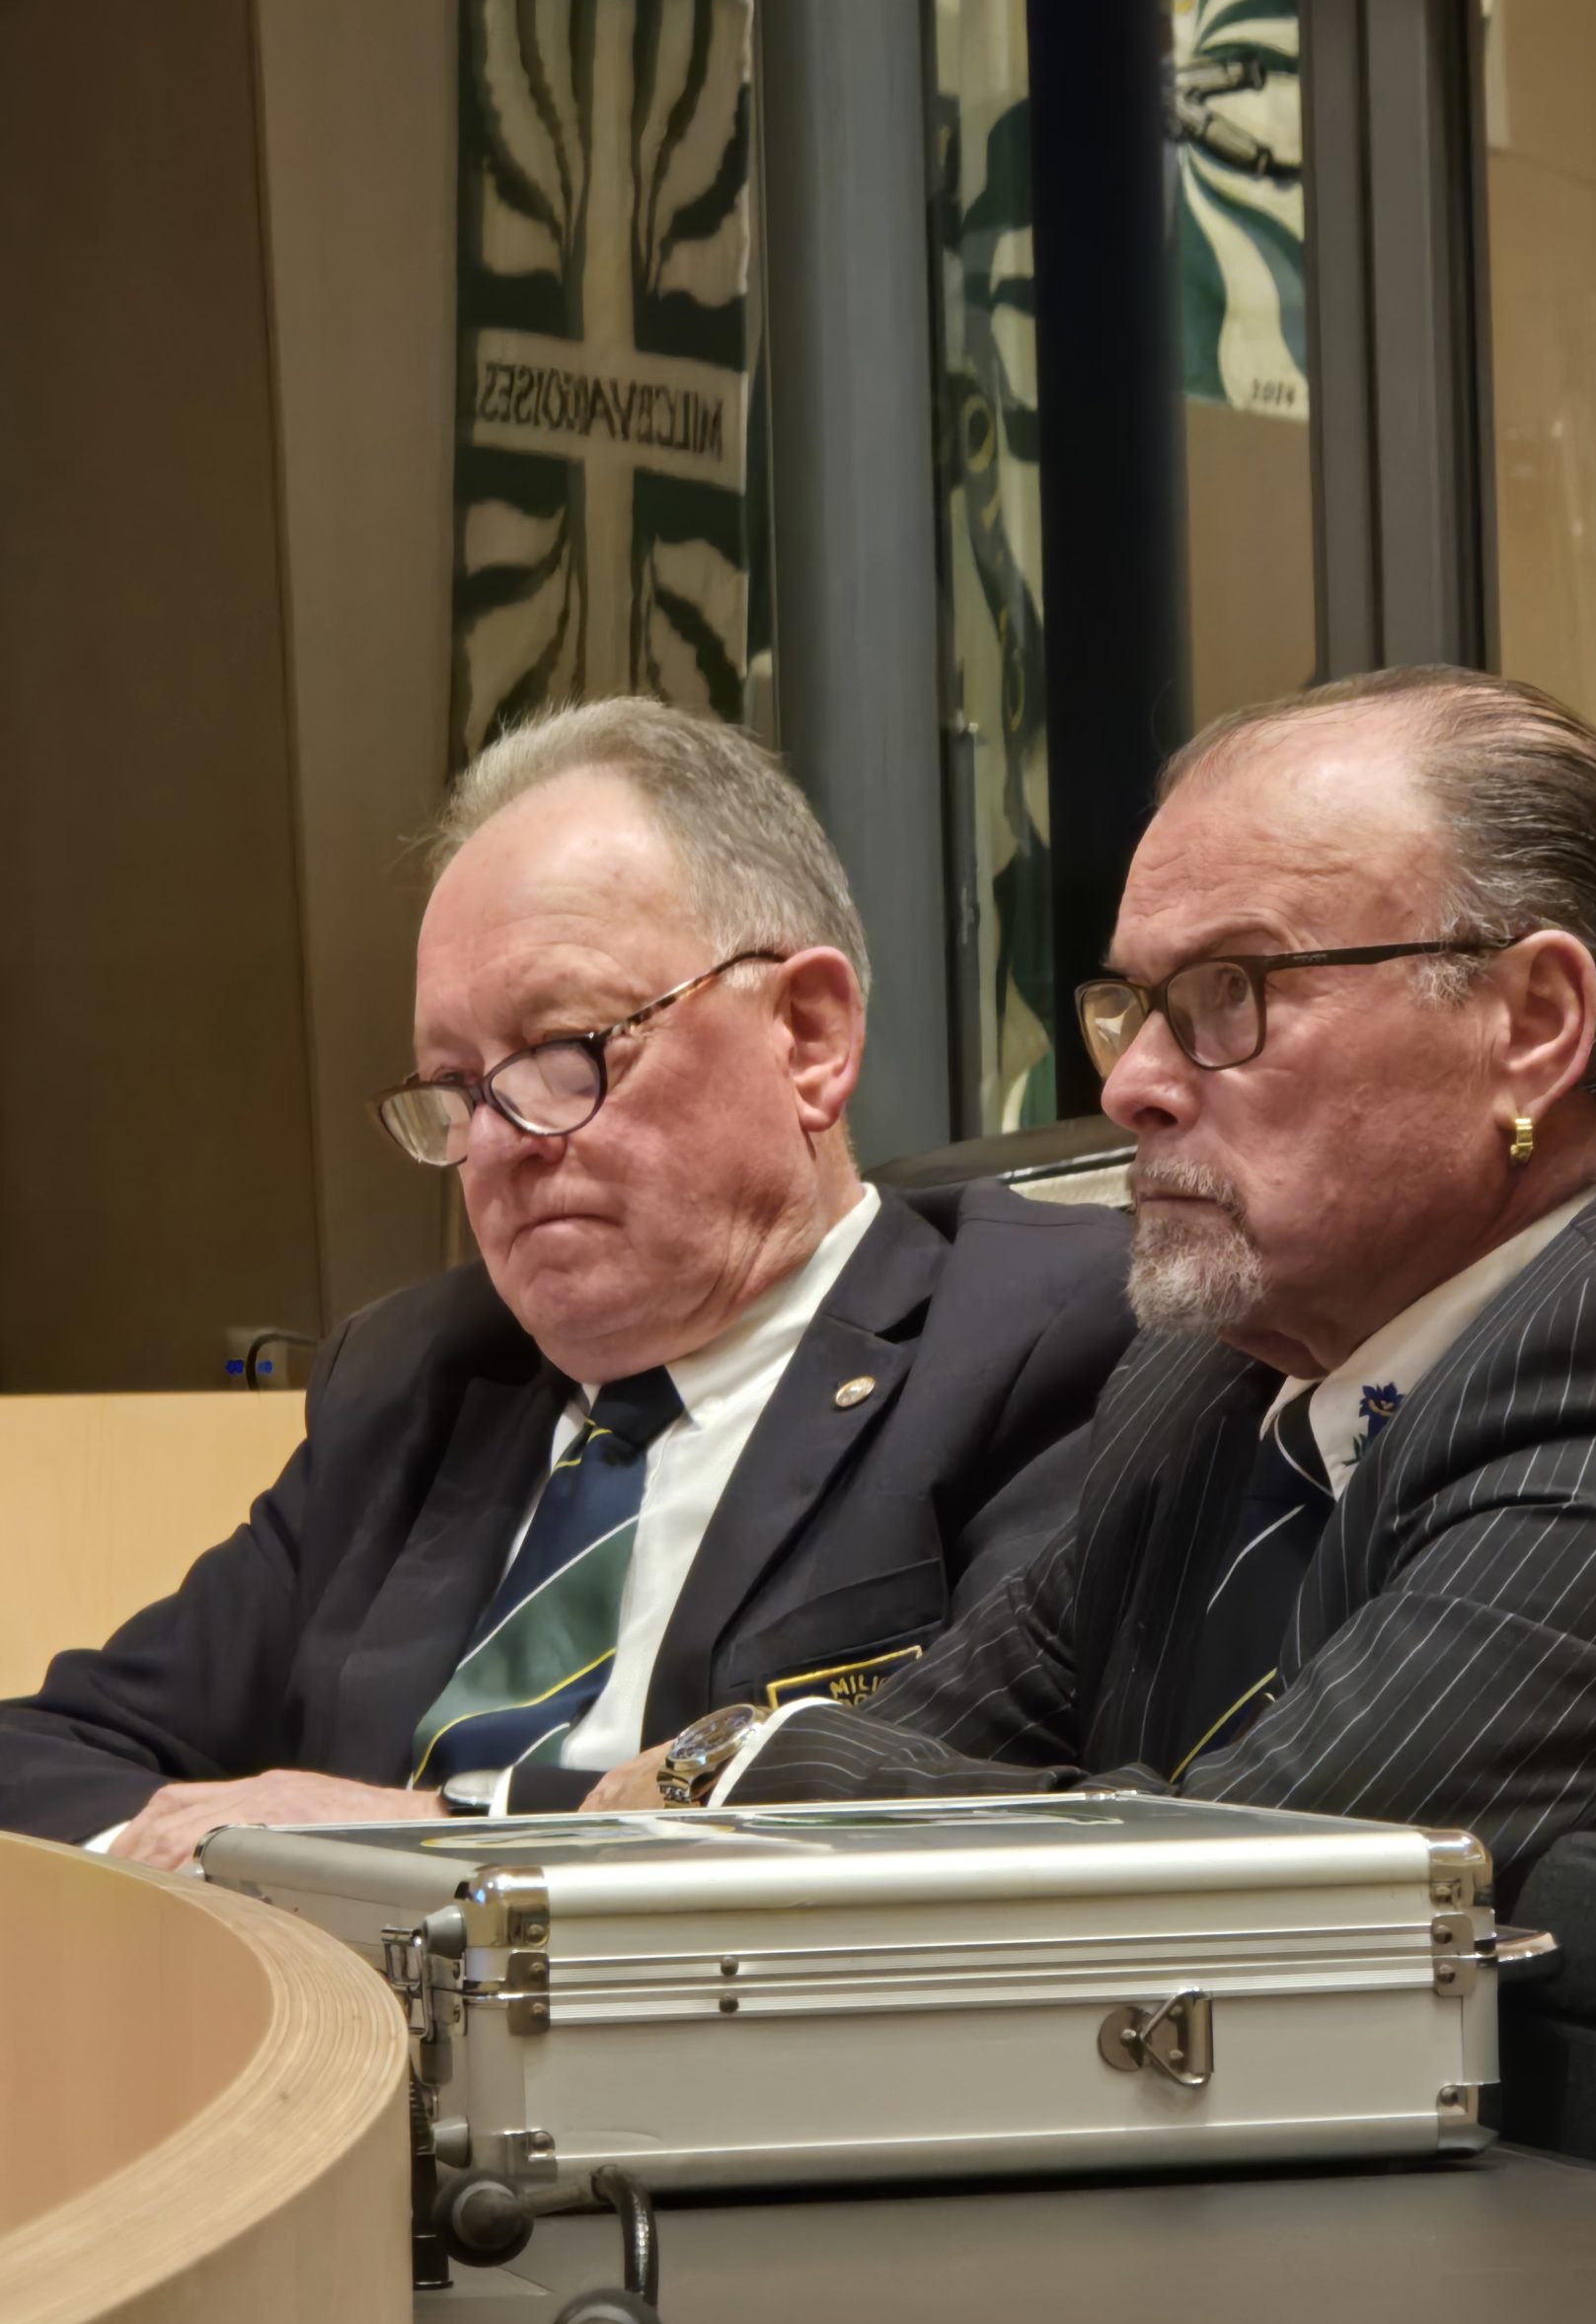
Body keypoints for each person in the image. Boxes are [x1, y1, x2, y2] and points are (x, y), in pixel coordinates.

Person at [591, 668, 1596, 1900]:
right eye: (1132, 1004)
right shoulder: (1216, 1374)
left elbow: (1250, 1895)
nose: (1130, 1086)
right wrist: (753, 1790)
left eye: (1231, 993)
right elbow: (948, 1749)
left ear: (1533, 1024)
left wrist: (734, 1769)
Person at [0, 700, 1131, 1862]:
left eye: (562, 1053)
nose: (495, 1143)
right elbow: (45, 1752)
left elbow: (991, 1809)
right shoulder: (414, 1384)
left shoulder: (1043, 1337)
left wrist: (434, 1834)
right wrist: (202, 1864)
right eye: (454, 1086)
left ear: (807, 1037)